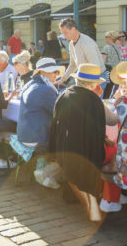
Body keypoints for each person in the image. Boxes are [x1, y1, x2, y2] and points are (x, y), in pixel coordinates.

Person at [49, 64, 108, 217]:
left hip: (64, 148)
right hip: (84, 153)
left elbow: (54, 121)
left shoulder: (64, 94)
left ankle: (71, 194)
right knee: (96, 156)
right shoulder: (94, 101)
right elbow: (98, 131)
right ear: (94, 84)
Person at [17, 58, 61, 148]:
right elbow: (59, 113)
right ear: (42, 72)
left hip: (24, 136)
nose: (56, 74)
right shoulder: (45, 89)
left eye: (57, 72)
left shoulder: (29, 84)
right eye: (54, 71)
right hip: (37, 139)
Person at [58, 18, 105, 85]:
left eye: (66, 33)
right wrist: (62, 80)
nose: (64, 36)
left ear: (73, 29)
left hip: (97, 78)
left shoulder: (87, 43)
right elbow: (73, 65)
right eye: (62, 33)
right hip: (83, 77)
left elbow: (95, 67)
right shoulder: (71, 43)